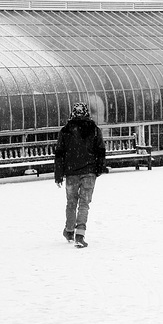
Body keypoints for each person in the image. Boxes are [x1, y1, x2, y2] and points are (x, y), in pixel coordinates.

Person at [54, 102, 106, 248]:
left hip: (71, 173)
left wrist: (58, 174)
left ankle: (69, 230)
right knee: (84, 204)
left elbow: (59, 154)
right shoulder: (94, 129)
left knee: (71, 203)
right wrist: (99, 169)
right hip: (89, 172)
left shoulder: (65, 131)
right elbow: (101, 150)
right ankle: (80, 234)